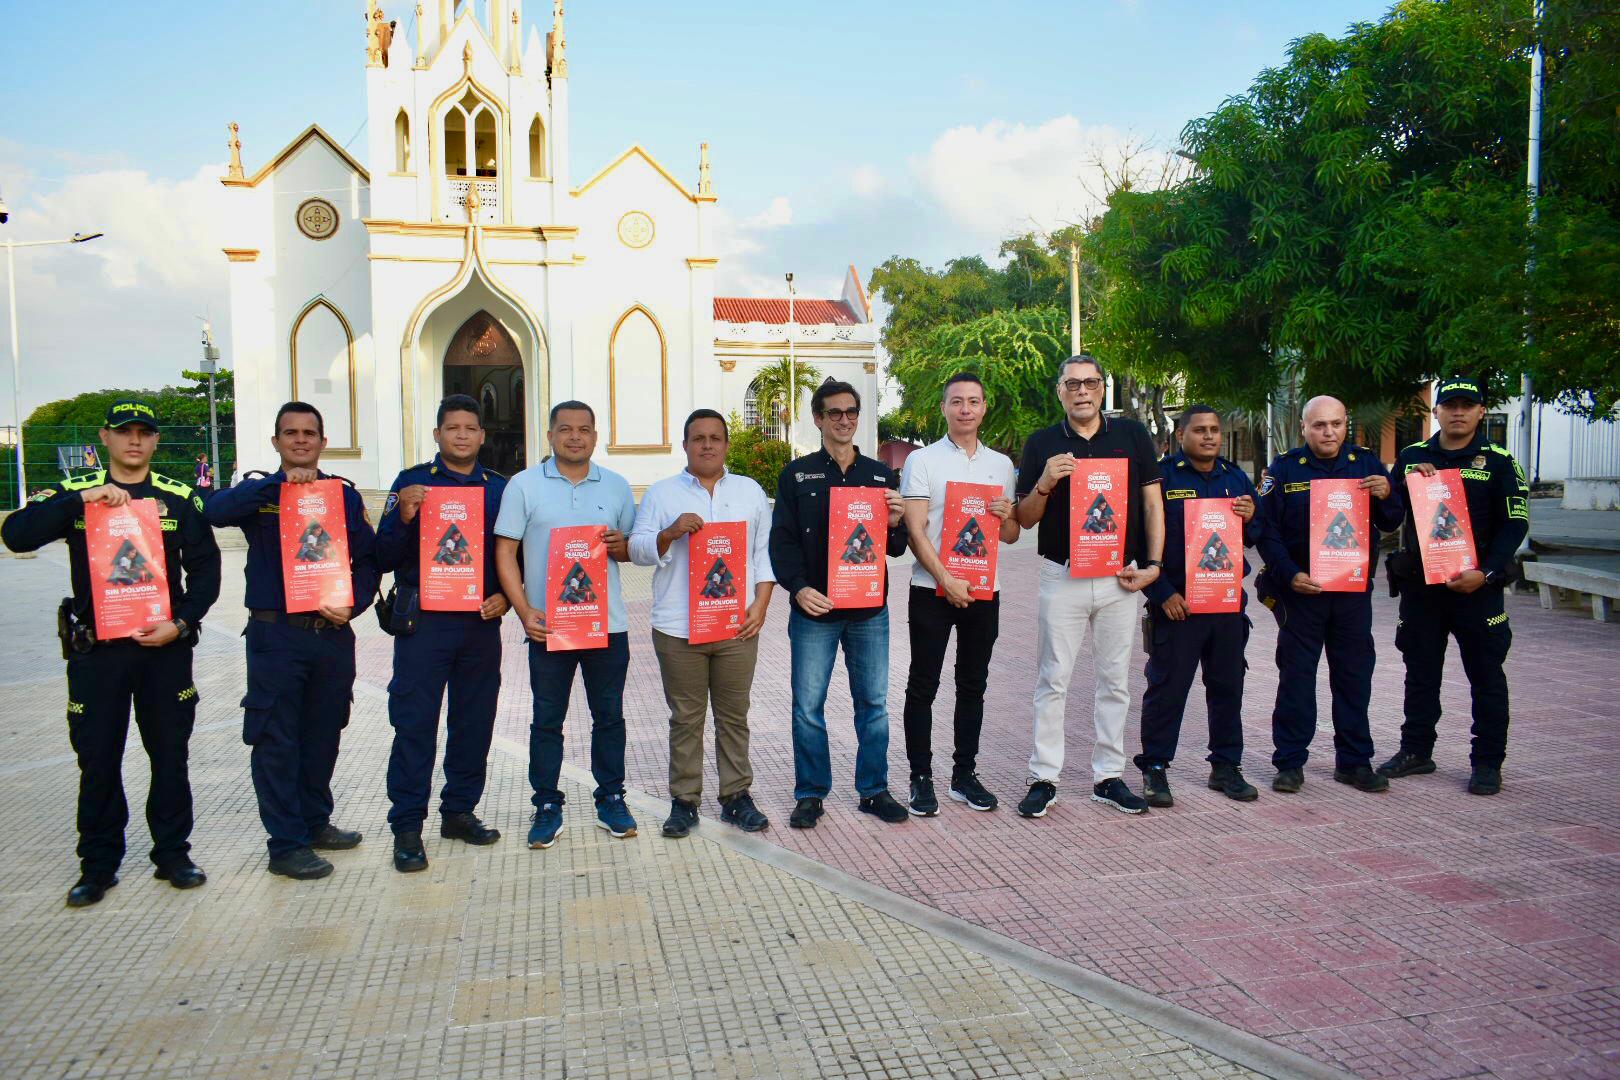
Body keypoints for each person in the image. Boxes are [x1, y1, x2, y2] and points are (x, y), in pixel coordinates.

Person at [2, 399, 220, 907]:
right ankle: (98, 865)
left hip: (163, 651)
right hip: (98, 654)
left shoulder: (177, 498)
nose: (134, 441)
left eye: (144, 432)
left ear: (156, 440)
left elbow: (206, 571)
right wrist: (81, 502)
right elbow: (16, 534)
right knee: (98, 759)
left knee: (170, 756)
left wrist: (180, 623)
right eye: (124, 432)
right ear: (105, 437)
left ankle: (172, 854)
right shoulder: (77, 493)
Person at [205, 401, 378, 879]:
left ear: (323, 442)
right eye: (291, 433)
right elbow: (215, 511)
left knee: (323, 734)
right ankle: (286, 844)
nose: (301, 440)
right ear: (276, 441)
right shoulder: (259, 492)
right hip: (276, 635)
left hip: (330, 634)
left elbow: (368, 560)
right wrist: (277, 484)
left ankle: (315, 822)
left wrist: (355, 604)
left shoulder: (342, 497)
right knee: (276, 739)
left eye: (309, 433)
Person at [1014, 355, 1165, 818]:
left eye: (1091, 382)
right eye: (1073, 383)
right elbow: (1023, 519)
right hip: (1063, 576)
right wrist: (1045, 482)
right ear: (1059, 391)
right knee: (1053, 678)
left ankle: (1108, 776)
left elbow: (1152, 504)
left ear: (1103, 388)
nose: (1082, 390)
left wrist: (1154, 565)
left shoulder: (1132, 435)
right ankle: (1044, 777)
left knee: (1115, 681)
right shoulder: (1042, 443)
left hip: (1120, 576)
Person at [374, 395, 510, 873]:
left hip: (479, 623)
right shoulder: (411, 483)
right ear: (437, 434)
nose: (461, 435)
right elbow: (382, 555)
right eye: (452, 428)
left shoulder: (499, 489)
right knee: (414, 723)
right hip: (424, 625)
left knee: (474, 721)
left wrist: (507, 597)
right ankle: (407, 827)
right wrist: (403, 518)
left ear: (482, 436)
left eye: (470, 428)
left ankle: (459, 812)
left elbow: (513, 554)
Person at [494, 401, 637, 849]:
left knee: (608, 717)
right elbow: (505, 552)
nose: (575, 437)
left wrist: (621, 544)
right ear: (550, 435)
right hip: (549, 626)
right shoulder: (523, 485)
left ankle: (611, 798)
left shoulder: (616, 486)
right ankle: (546, 804)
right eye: (565, 429)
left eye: (584, 429)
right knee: (547, 719)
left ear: (595, 436)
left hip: (606, 626)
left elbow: (630, 549)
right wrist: (524, 611)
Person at [1378, 377, 1530, 795]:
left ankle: (1487, 762)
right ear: (1437, 412)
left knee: (1486, 676)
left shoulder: (1499, 461)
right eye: (1450, 405)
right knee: (1420, 674)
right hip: (1423, 588)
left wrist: (1488, 572)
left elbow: (1514, 524)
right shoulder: (1412, 457)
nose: (1458, 412)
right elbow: (1390, 516)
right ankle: (1416, 751)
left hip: (1476, 588)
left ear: (1481, 411)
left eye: (1467, 405)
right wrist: (1402, 485)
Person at [769, 379, 909, 828]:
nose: (844, 420)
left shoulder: (879, 475)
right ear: (818, 419)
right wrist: (797, 588)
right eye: (834, 413)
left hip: (869, 612)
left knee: (873, 705)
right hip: (816, 611)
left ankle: (874, 790)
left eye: (851, 412)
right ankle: (811, 793)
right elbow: (782, 542)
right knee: (808, 707)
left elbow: (895, 548)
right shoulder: (798, 475)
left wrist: (895, 521)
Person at [629, 409, 775, 838]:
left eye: (715, 437)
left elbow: (763, 554)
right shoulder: (661, 494)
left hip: (736, 625)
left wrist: (761, 605)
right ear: (685, 445)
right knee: (686, 718)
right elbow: (636, 549)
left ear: (727, 444)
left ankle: (736, 797)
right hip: (678, 627)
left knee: (734, 716)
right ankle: (684, 801)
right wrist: (669, 533)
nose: (707, 445)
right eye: (698, 438)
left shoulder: (750, 492)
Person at [1256, 395, 1403, 794]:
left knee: (1354, 678)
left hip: (1351, 595)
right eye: (1319, 425)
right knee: (1297, 680)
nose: (1329, 432)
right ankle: (1290, 763)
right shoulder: (1285, 469)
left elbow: (1392, 520)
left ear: (1345, 424)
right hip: (1302, 594)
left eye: (1336, 424)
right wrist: (1289, 574)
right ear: (1304, 427)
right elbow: (1265, 531)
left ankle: (1354, 762)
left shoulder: (1366, 465)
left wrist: (1386, 495)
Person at [898, 372, 1020, 817]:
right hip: (930, 589)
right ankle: (920, 778)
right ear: (944, 408)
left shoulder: (1001, 466)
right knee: (923, 684)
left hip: (984, 591)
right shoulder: (922, 460)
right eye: (956, 401)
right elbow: (914, 530)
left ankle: (964, 775)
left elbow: (1010, 534)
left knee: (973, 684)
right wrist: (945, 578)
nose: (965, 409)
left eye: (973, 401)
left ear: (984, 408)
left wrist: (1007, 516)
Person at [1135, 405, 1261, 807]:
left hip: (1225, 606)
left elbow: (1257, 535)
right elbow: (1139, 539)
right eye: (1200, 430)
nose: (1209, 436)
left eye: (1214, 430)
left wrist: (1251, 516)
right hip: (1179, 606)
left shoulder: (1234, 478)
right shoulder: (1162, 477)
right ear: (1181, 435)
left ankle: (1226, 766)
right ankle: (1155, 767)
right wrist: (1162, 593)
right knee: (1167, 690)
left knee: (1228, 688)